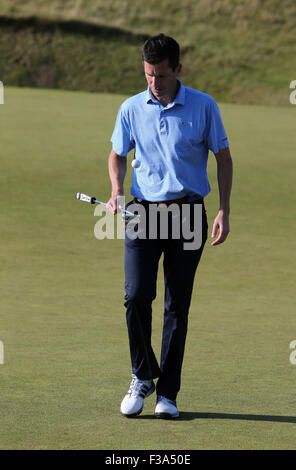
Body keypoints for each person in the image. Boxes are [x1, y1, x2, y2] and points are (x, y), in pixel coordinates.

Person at [106, 34, 233, 419]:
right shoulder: (130, 108)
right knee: (136, 296)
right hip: (142, 213)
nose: (154, 83)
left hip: (189, 214)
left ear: (178, 69)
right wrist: (115, 190)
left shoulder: (204, 106)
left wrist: (224, 210)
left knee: (177, 305)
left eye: (161, 75)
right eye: (148, 75)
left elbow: (223, 158)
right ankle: (142, 375)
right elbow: (116, 154)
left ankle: (168, 395)